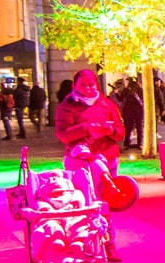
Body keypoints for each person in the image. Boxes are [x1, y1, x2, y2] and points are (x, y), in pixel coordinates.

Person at [53, 68, 126, 210]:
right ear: (74, 86)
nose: (88, 88)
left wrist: (110, 130)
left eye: (91, 84)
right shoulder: (66, 107)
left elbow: (120, 132)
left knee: (108, 201)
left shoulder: (107, 104)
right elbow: (63, 135)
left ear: (96, 85)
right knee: (85, 203)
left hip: (108, 158)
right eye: (83, 85)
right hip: (80, 162)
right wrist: (86, 128)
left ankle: (106, 230)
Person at [120, 80, 146, 152]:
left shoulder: (126, 90)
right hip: (138, 111)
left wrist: (117, 92)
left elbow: (120, 98)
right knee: (139, 127)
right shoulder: (140, 89)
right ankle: (139, 143)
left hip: (128, 111)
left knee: (128, 128)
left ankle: (127, 143)